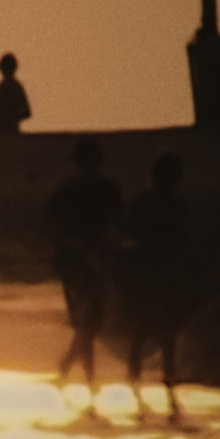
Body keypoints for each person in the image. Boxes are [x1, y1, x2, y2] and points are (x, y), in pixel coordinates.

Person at [45, 137, 124, 403]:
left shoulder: (100, 190)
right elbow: (54, 228)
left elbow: (117, 225)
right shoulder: (72, 191)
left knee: (91, 322)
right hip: (76, 264)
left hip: (92, 260)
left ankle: (68, 367)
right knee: (88, 321)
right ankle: (89, 379)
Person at [115, 150, 191, 421]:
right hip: (153, 268)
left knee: (156, 325)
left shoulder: (162, 202)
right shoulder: (157, 203)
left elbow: (130, 231)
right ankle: (149, 376)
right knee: (150, 325)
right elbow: (131, 230)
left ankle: (155, 376)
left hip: (157, 268)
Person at [0, 52, 31, 135]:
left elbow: (27, 112)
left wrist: (10, 117)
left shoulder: (13, 86)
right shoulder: (6, 85)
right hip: (4, 129)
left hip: (10, 130)